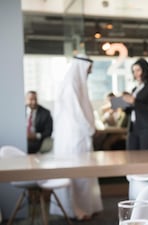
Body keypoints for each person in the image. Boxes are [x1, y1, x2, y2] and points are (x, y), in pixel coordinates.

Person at [51, 54, 103, 220]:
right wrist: (89, 128)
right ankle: (75, 210)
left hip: (79, 136)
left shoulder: (79, 83)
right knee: (77, 174)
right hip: (73, 137)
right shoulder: (70, 83)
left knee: (84, 174)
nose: (90, 72)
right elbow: (77, 113)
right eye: (89, 68)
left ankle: (86, 207)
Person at [122, 58, 148, 150]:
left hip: (147, 128)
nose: (135, 73)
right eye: (133, 71)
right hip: (133, 128)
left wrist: (134, 102)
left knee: (147, 159)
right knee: (131, 157)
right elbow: (132, 111)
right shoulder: (135, 89)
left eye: (138, 70)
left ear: (145, 70)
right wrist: (124, 104)